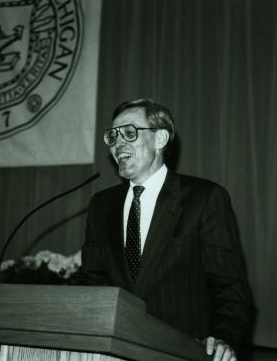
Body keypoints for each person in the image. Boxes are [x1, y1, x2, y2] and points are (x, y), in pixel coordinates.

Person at [81, 98, 252, 361]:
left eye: (129, 132)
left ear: (160, 139)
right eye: (112, 136)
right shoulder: (101, 205)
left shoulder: (204, 198)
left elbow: (230, 286)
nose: (117, 143)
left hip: (185, 350)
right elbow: (95, 280)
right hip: (116, 351)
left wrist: (224, 338)